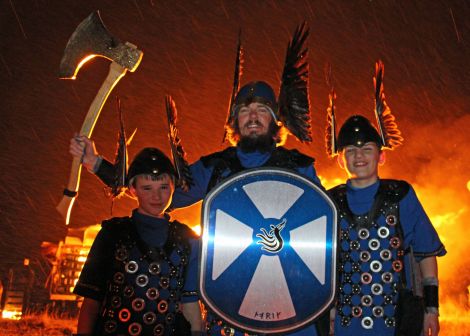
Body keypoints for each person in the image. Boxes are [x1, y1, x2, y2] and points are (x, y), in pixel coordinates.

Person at [326, 115, 446, 336]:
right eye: (350, 150)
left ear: (381, 156)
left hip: (395, 320)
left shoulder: (400, 195)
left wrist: (431, 310)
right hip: (344, 321)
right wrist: (327, 313)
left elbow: (426, 254)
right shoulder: (329, 202)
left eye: (367, 149)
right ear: (341, 160)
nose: (359, 156)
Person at [73, 147, 203, 336]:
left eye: (163, 187)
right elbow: (92, 300)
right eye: (147, 188)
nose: (156, 197)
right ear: (133, 190)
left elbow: (190, 302)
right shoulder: (113, 234)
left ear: (174, 187)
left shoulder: (187, 239)